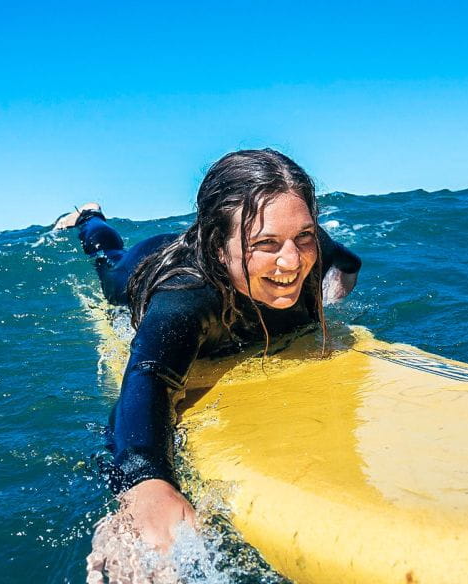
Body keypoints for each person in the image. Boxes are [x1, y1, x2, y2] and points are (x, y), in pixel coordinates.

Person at [55, 148, 361, 553]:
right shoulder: (186, 298)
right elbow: (148, 378)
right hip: (147, 262)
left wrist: (327, 297)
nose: (291, 261)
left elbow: (348, 264)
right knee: (109, 263)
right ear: (218, 247)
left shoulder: (313, 248)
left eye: (303, 236)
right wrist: (146, 483)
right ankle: (90, 219)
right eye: (265, 243)